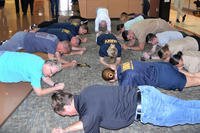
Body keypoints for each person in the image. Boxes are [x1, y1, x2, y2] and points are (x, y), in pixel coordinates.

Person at [51, 84, 200, 133]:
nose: (68, 116)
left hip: (149, 108)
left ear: (67, 106)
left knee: (189, 115)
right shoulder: (87, 91)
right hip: (145, 91)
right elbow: (86, 119)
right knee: (184, 105)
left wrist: (64, 130)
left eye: (65, 114)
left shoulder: (89, 113)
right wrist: (65, 130)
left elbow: (86, 121)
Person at [102, 60, 200, 91]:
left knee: (194, 81)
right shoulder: (124, 65)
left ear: (110, 81)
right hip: (162, 66)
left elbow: (125, 98)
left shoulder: (125, 82)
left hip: (164, 78)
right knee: (193, 75)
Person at [0, 51, 64, 96]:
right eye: (51, 72)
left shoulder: (40, 61)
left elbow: (45, 78)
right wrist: (55, 88)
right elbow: (39, 92)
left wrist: (54, 84)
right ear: (47, 64)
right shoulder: (35, 72)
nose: (50, 75)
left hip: (3, 55)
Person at [0, 31, 77, 68]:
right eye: (62, 51)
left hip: (23, 36)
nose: (60, 52)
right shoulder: (52, 46)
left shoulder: (56, 38)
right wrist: (69, 65)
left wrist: (69, 62)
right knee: (2, 52)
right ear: (61, 48)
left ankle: (5, 44)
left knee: (7, 52)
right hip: (20, 41)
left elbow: (58, 58)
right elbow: (53, 64)